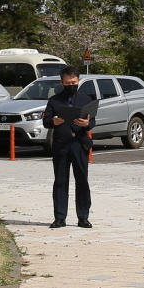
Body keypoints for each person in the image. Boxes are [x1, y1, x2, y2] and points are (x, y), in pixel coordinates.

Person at [45, 67, 96, 228]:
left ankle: (83, 217)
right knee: (61, 181)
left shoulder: (86, 99)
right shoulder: (54, 100)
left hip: (79, 144)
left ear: (78, 81)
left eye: (74, 82)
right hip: (61, 145)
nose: (71, 85)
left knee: (82, 181)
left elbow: (92, 121)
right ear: (62, 82)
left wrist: (87, 124)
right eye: (68, 83)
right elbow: (46, 121)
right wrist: (54, 121)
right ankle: (60, 217)